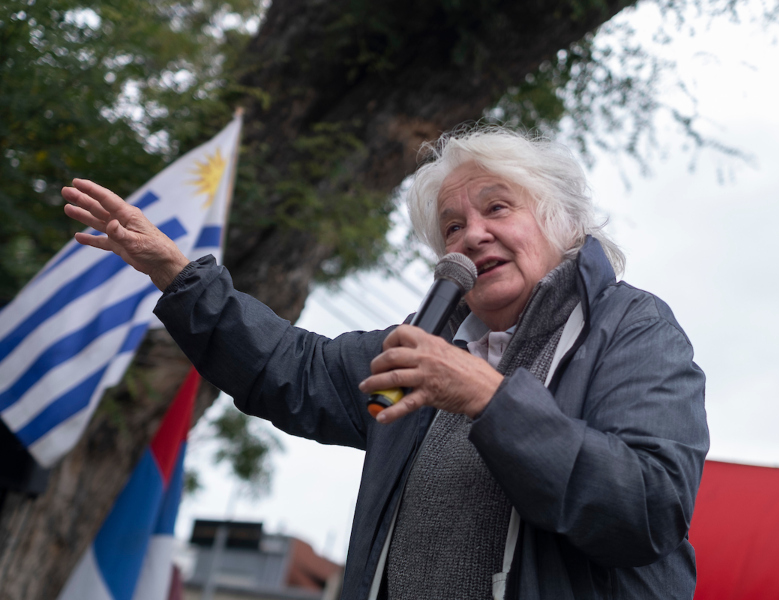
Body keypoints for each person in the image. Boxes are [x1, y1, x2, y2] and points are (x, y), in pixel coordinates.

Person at [62, 126, 709, 600]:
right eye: (451, 226)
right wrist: (179, 278)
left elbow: (647, 507)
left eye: (496, 208)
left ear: (562, 223)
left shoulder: (632, 328)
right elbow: (292, 367)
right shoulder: (423, 346)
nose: (471, 234)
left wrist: (490, 399)